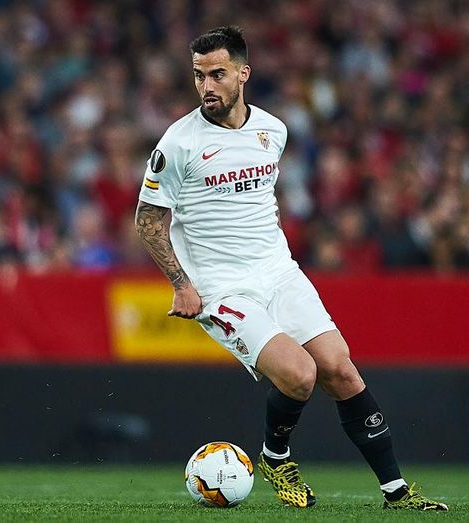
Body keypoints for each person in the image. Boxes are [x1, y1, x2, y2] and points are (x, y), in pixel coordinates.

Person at [134, 26, 448, 512]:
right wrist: (182, 285)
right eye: (198, 76)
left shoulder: (272, 130)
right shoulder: (178, 144)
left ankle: (397, 493)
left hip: (278, 271)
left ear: (243, 74)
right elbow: (149, 219)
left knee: (340, 369)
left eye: (217, 75)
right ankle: (275, 457)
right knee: (299, 375)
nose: (207, 87)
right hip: (221, 287)